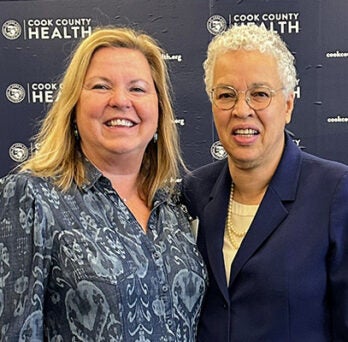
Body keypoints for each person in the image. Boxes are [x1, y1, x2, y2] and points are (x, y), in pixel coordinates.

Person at [0, 26, 207, 341]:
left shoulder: (174, 205)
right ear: (73, 107)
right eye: (100, 86)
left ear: (158, 111)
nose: (121, 100)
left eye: (137, 89)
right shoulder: (31, 195)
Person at [182, 23, 348, 341]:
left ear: (287, 105)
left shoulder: (336, 194)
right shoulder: (193, 192)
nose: (242, 110)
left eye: (260, 95)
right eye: (227, 95)